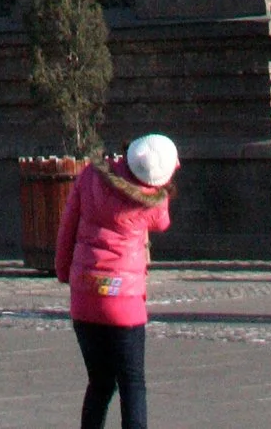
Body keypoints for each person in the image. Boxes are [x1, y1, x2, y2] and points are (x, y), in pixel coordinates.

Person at [53, 129, 178, 429]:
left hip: (84, 295)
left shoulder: (89, 176)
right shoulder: (152, 201)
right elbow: (163, 223)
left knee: (99, 383)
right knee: (133, 383)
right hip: (124, 302)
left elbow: (67, 228)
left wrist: (62, 271)